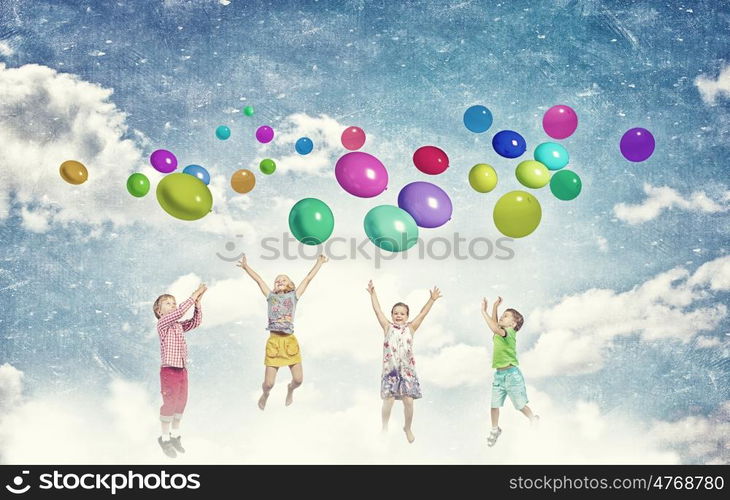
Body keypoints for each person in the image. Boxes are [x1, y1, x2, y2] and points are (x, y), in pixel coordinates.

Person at [238, 254, 328, 409]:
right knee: (268, 384)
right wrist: (246, 267)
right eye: (277, 280)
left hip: (289, 342)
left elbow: (307, 279)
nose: (279, 281)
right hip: (274, 342)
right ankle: (265, 394)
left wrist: (319, 262)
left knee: (298, 380)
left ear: (291, 285)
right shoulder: (270, 296)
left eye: (283, 279)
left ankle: (290, 389)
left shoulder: (294, 296)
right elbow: (259, 280)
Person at [366, 280, 441, 443]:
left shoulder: (411, 328)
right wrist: (373, 294)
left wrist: (432, 300)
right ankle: (384, 426)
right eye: (395, 313)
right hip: (391, 372)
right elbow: (377, 311)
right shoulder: (387, 327)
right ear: (392, 315)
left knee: (408, 400)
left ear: (407, 316)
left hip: (407, 371)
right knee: (389, 400)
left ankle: (407, 427)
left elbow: (422, 314)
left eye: (402, 313)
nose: (398, 315)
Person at [152, 283, 207, 458]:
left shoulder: (177, 326)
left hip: (182, 369)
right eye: (168, 303)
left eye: (174, 302)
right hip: (169, 370)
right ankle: (165, 438)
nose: (173, 305)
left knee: (181, 402)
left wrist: (197, 303)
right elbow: (180, 312)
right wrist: (194, 294)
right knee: (169, 403)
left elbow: (195, 322)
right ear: (160, 312)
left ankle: (175, 436)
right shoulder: (163, 323)